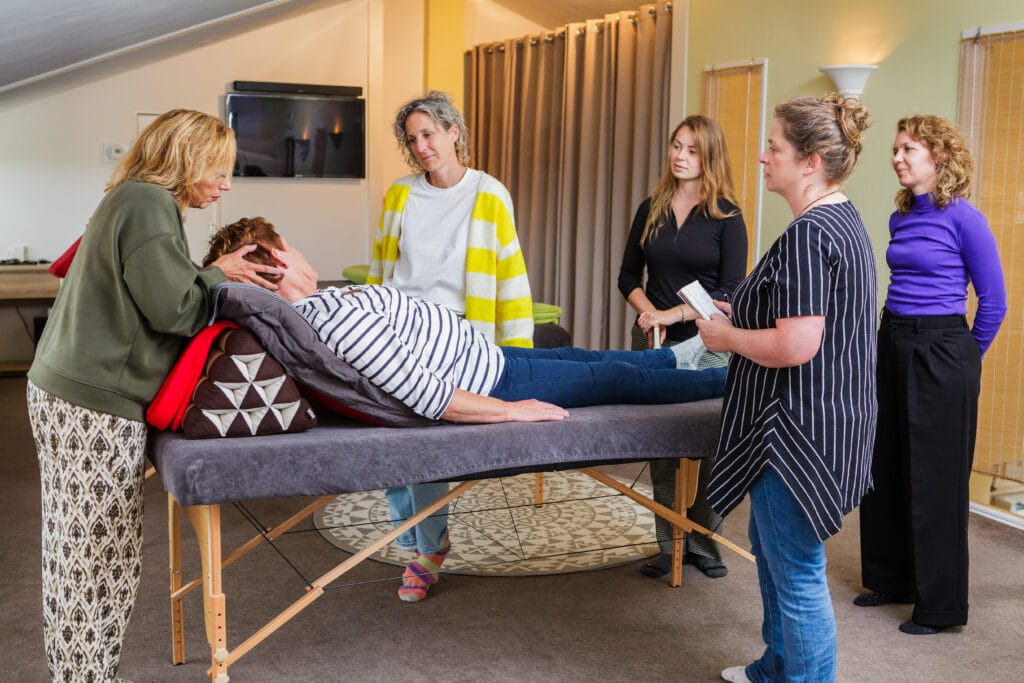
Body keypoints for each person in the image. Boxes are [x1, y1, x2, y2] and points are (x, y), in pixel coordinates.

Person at [25, 109, 283, 682]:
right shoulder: (147, 204)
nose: (226, 184)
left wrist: (205, 270)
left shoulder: (131, 199)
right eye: (218, 170)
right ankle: (86, 677)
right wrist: (218, 273)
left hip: (68, 392)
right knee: (99, 553)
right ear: (186, 158)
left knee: (77, 545)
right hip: (91, 403)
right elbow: (175, 310)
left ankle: (81, 673)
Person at [696, 94, 876, 682]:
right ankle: (774, 669)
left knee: (796, 571)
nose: (761, 156)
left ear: (810, 162)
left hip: (796, 431)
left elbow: (797, 345)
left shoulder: (808, 234)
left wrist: (724, 338)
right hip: (828, 421)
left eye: (774, 147)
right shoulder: (842, 220)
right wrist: (738, 312)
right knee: (775, 559)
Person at [366, 90, 534, 600]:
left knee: (425, 440)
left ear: (453, 132)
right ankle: (418, 532)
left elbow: (510, 276)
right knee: (385, 431)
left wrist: (519, 353)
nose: (420, 146)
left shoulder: (489, 194)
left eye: (429, 134)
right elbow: (380, 272)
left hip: (457, 335)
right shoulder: (398, 195)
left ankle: (427, 547)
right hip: (399, 326)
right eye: (412, 138)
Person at [855, 116, 1006, 635]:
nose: (897, 157)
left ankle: (940, 608)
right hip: (892, 339)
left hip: (941, 349)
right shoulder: (901, 217)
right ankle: (892, 579)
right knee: (888, 464)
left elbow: (994, 303)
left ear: (938, 157)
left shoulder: (966, 218)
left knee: (936, 481)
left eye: (908, 149)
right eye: (895, 149)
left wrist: (964, 357)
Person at [617, 114, 747, 580]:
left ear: (709, 157)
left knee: (706, 444)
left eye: (692, 150)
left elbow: (731, 292)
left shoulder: (727, 217)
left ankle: (703, 542)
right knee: (662, 445)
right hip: (653, 339)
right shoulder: (649, 208)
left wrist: (672, 314)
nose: (680, 156)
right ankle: (667, 540)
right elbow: (627, 277)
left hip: (709, 340)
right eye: (676, 146)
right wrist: (649, 312)